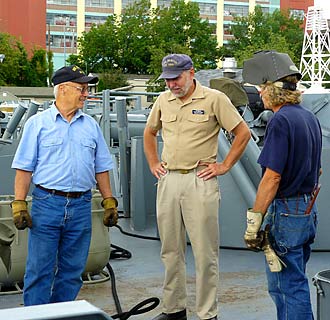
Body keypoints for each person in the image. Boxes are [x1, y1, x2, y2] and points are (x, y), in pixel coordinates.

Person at [143, 53, 251, 320]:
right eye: (167, 80)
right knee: (170, 249)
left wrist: (224, 166)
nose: (171, 85)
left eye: (176, 78)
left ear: (191, 72)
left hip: (199, 180)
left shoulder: (214, 99)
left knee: (204, 252)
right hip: (169, 180)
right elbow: (149, 132)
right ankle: (174, 309)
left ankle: (207, 313)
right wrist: (154, 162)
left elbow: (243, 133)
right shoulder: (163, 100)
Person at [11, 65, 118, 306]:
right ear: (61, 90)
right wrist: (19, 204)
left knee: (72, 271)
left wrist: (109, 200)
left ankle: (61, 314)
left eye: (87, 88)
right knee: (40, 270)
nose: (86, 94)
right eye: (81, 88)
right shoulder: (38, 124)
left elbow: (101, 166)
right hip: (47, 204)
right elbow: (24, 168)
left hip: (81, 206)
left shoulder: (90, 125)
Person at [242, 50, 322, 320]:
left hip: (286, 211)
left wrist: (255, 220)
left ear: (271, 90)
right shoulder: (308, 117)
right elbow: (317, 168)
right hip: (306, 210)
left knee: (286, 286)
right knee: (296, 278)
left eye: (262, 88)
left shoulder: (280, 121)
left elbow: (272, 177)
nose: (260, 94)